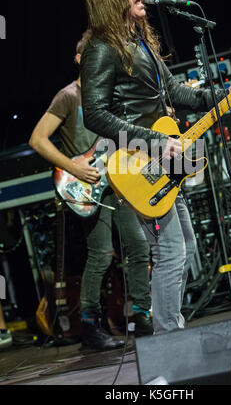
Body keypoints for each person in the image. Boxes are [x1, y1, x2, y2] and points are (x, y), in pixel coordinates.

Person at [80, 0, 231, 335]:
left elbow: (175, 92)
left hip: (160, 163)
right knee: (170, 252)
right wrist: (158, 141)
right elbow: (93, 115)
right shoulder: (100, 48)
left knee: (186, 248)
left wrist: (226, 94)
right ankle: (167, 343)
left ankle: (169, 335)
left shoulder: (139, 39)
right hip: (137, 163)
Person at [29, 32, 154, 351]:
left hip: (118, 182)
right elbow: (38, 139)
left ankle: (141, 317)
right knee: (99, 255)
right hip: (86, 185)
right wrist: (73, 168)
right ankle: (90, 326)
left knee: (139, 247)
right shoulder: (68, 96)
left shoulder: (111, 96)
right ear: (79, 59)